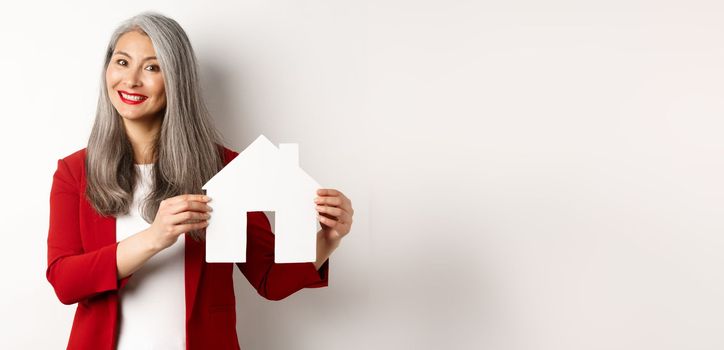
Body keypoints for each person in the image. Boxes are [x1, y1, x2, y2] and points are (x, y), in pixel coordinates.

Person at [46, 12, 354, 350]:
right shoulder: (76, 171)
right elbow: (66, 282)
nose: (131, 80)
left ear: (177, 79)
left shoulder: (225, 167)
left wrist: (328, 238)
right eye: (122, 62)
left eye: (153, 67)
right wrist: (154, 238)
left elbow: (270, 281)